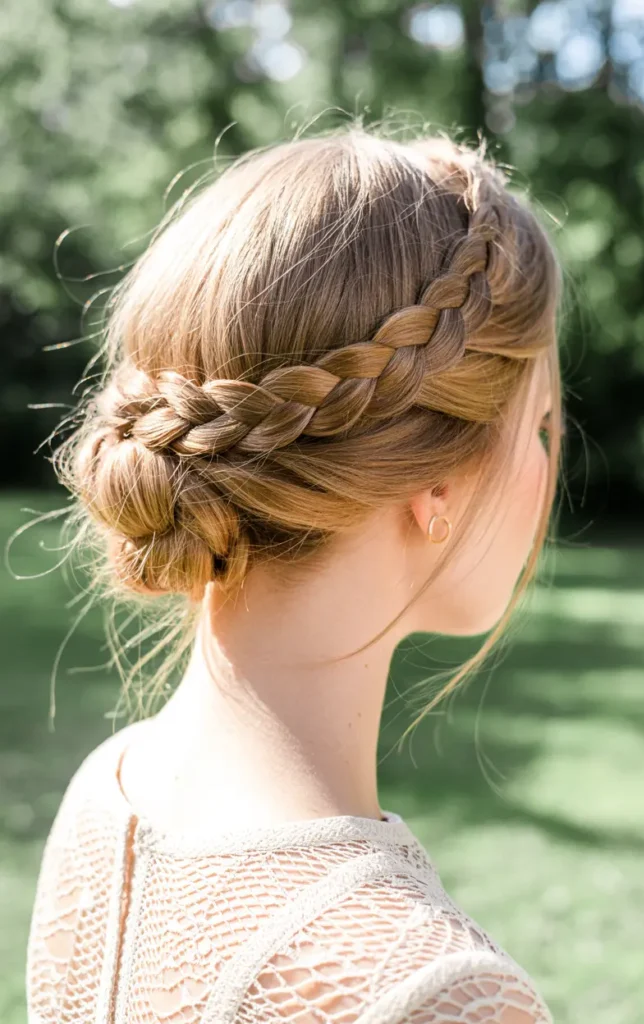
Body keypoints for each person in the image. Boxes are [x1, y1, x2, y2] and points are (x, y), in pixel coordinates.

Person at [25, 123, 564, 1023]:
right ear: (436, 482)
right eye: (541, 426)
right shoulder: (436, 994)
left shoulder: (107, 794)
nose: (551, 466)